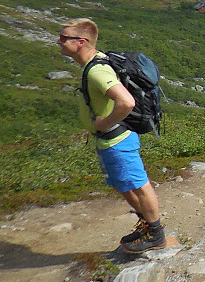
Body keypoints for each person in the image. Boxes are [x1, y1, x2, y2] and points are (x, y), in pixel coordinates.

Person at [58, 18, 167, 253]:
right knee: (125, 185)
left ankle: (156, 234)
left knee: (138, 185)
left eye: (64, 38)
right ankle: (147, 226)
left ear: (81, 42)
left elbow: (126, 102)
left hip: (117, 140)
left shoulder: (97, 71)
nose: (59, 42)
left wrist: (103, 123)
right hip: (110, 141)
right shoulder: (93, 64)